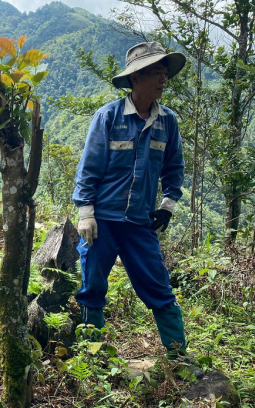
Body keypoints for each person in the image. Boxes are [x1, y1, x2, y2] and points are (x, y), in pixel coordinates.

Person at [72, 41, 188, 357]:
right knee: (92, 286)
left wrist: (168, 205)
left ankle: (178, 355)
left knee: (158, 287)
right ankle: (90, 355)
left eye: (166, 73)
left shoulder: (168, 122)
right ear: (136, 77)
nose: (164, 80)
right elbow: (89, 166)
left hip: (140, 223)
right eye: (156, 73)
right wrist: (86, 211)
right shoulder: (108, 117)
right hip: (103, 222)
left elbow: (174, 168)